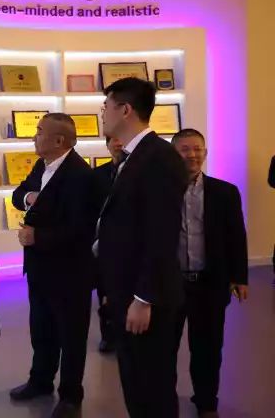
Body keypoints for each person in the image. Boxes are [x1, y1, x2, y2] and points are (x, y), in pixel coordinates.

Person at [96, 77, 188, 418]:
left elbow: (161, 235)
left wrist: (143, 298)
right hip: (126, 290)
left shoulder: (158, 158)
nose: (102, 114)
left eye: (106, 107)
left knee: (152, 386)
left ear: (125, 110)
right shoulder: (134, 156)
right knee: (135, 382)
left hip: (146, 297)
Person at [9, 113, 98, 418]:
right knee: (41, 329)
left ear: (59, 140)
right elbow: (18, 195)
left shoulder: (81, 176)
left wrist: (38, 237)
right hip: (39, 268)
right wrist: (30, 197)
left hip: (70, 272)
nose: (33, 136)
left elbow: (82, 230)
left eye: (39, 131)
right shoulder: (41, 166)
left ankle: (71, 396)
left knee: (71, 336)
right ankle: (40, 381)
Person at [171, 128, 248, 418]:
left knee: (208, 348)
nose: (192, 155)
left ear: (205, 152)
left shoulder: (225, 192)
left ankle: (206, 402)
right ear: (173, 154)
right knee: (165, 348)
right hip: (171, 284)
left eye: (197, 149)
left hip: (209, 284)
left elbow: (236, 237)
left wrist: (239, 277)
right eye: (185, 149)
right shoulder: (160, 191)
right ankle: (165, 401)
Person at [92, 135, 124, 353]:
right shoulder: (97, 175)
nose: (118, 144)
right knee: (104, 290)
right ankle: (108, 335)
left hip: (129, 243)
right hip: (103, 243)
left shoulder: (141, 172)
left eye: (122, 140)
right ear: (107, 145)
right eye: (113, 140)